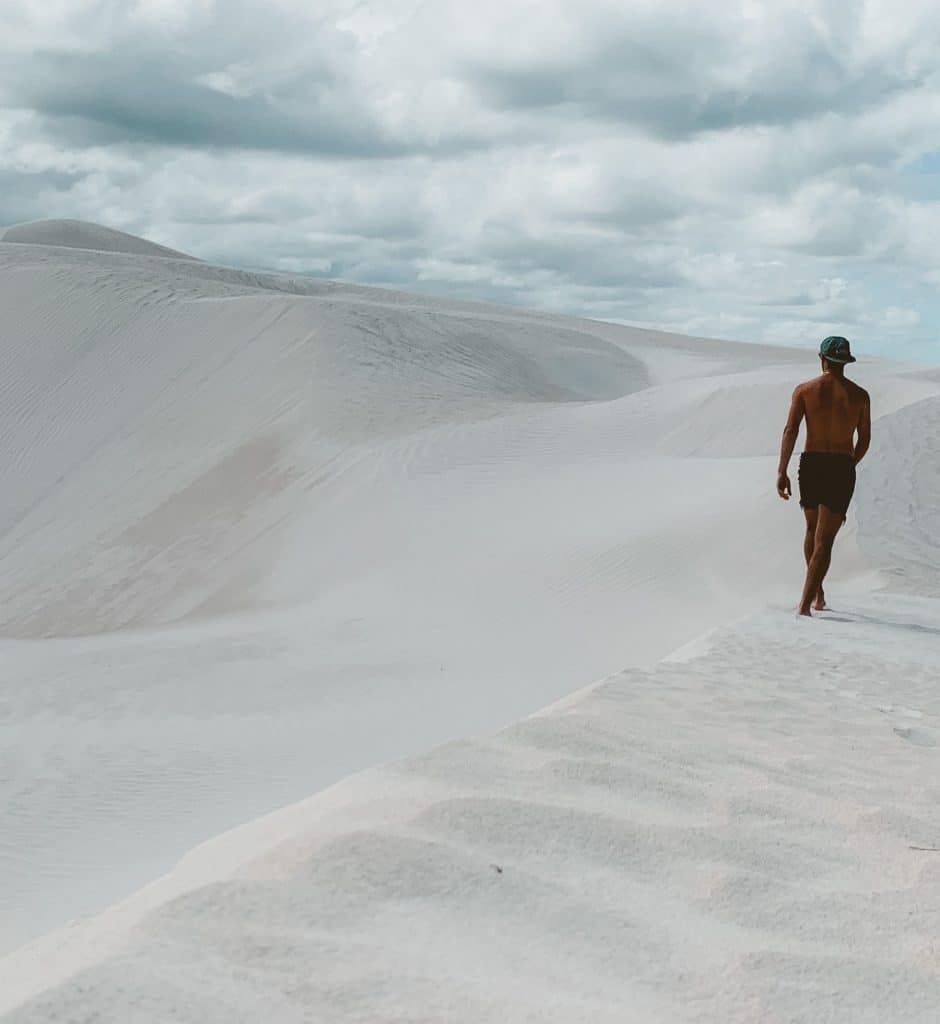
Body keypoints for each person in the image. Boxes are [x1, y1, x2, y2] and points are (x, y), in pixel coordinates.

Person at [776, 336, 871, 616]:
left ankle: (813, 597)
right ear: (846, 362)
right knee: (825, 539)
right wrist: (849, 463)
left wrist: (782, 470)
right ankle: (811, 601)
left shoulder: (805, 390)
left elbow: (790, 430)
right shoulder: (859, 395)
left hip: (812, 463)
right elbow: (864, 438)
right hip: (840, 464)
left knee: (811, 531)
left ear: (823, 359)